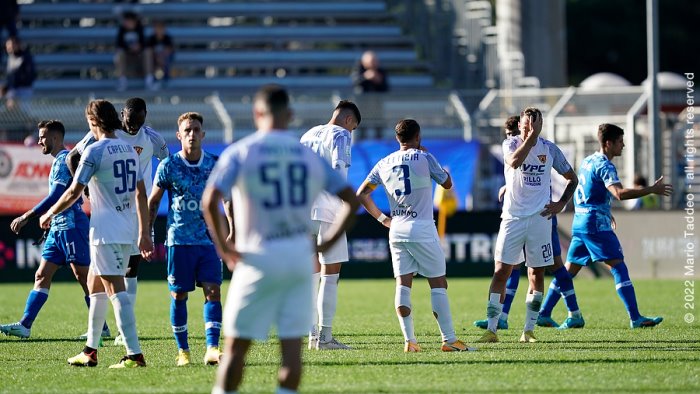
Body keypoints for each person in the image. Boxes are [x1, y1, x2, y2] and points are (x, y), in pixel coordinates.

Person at [204, 84, 360, 394]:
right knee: (291, 353)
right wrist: (326, 245)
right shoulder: (302, 153)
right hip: (297, 257)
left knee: (235, 349)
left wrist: (225, 248)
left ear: (256, 113)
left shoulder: (242, 151)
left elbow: (210, 201)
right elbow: (350, 200)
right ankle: (322, 339)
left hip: (256, 256)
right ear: (289, 115)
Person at [39, 100, 153, 368]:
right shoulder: (130, 150)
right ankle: (90, 351)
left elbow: (72, 192)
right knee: (95, 284)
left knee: (115, 290)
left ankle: (134, 354)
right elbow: (141, 193)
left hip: (106, 231)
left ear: (93, 123)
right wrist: (145, 231)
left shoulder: (94, 151)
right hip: (127, 228)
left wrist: (50, 213)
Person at [356, 119, 473, 353]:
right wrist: (427, 155)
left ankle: (410, 341)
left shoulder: (384, 162)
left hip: (396, 228)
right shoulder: (425, 157)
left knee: (403, 284)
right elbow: (447, 183)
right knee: (438, 283)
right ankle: (449, 340)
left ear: (398, 139)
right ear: (418, 137)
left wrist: (383, 219)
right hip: (421, 226)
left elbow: (361, 193)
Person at [539, 123, 672, 329]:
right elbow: (618, 193)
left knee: (569, 271)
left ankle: (545, 313)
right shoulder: (605, 165)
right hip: (595, 225)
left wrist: (604, 210)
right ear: (608, 143)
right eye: (620, 141)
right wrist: (651, 189)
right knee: (618, 266)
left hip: (581, 222)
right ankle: (635, 317)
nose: (624, 145)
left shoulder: (588, 161)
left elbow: (590, 190)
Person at [67, 97, 169, 344]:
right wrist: (88, 190)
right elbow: (72, 157)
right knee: (100, 276)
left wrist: (155, 194)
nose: (133, 127)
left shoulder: (152, 138)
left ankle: (119, 335)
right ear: (122, 115)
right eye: (130, 122)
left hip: (137, 210)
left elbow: (167, 164)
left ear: (145, 117)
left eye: (138, 122)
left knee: (130, 271)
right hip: (110, 212)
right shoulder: (107, 134)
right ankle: (98, 335)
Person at [477, 107, 579, 344]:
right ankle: (492, 329)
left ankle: (529, 330)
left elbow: (572, 178)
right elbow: (514, 162)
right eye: (525, 125)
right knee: (501, 271)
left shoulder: (550, 149)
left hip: (540, 219)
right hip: (512, 218)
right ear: (520, 125)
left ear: (541, 125)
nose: (529, 128)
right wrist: (530, 138)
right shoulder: (511, 144)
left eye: (534, 125)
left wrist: (561, 203)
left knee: (537, 273)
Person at [0, 120, 106, 339]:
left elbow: (56, 196)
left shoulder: (62, 161)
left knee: (84, 277)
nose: (39, 140)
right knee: (41, 275)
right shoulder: (60, 160)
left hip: (72, 226)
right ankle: (25, 325)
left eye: (42, 136)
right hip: (58, 228)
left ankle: (102, 328)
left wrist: (27, 216)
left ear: (55, 138)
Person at [147, 112, 224, 366]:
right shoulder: (168, 165)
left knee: (213, 292)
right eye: (187, 130)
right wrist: (147, 234)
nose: (192, 134)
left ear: (203, 134)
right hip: (178, 242)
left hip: (208, 241)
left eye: (196, 129)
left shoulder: (215, 164)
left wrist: (231, 230)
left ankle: (212, 348)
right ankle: (184, 352)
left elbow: (229, 199)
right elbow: (154, 201)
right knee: (179, 295)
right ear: (179, 135)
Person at [299, 100, 361, 350]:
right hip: (328, 208)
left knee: (311, 273)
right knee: (330, 274)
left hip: (303, 209)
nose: (352, 132)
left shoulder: (308, 134)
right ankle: (325, 337)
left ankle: (312, 334)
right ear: (348, 121)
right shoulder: (341, 135)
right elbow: (338, 169)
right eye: (354, 127)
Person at [351, 50, 389, 140]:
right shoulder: (359, 69)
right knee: (362, 130)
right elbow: (354, 83)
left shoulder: (381, 72)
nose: (373, 64)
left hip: (377, 106)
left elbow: (386, 88)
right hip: (362, 106)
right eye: (371, 62)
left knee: (379, 130)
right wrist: (365, 77)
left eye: (375, 62)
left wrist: (379, 81)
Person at [114, 11, 154, 91]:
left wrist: (139, 47)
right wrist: (129, 48)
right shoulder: (121, 30)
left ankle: (149, 80)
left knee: (148, 52)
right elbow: (119, 46)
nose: (127, 23)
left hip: (139, 58)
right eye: (126, 21)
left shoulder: (140, 29)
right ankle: (122, 81)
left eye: (129, 21)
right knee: (119, 54)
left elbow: (145, 44)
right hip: (127, 58)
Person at [1, 36, 36, 106]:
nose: (10, 48)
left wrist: (12, 89)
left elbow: (29, 75)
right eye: (8, 46)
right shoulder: (10, 57)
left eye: (12, 45)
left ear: (18, 45)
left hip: (23, 89)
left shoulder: (25, 57)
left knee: (22, 114)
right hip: (13, 90)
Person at [147, 20, 175, 86]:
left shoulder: (167, 38)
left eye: (161, 28)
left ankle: (165, 77)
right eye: (157, 28)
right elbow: (149, 51)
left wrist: (161, 56)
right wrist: (157, 57)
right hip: (155, 60)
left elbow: (169, 50)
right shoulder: (151, 39)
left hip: (164, 59)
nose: (159, 30)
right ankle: (152, 78)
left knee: (166, 58)